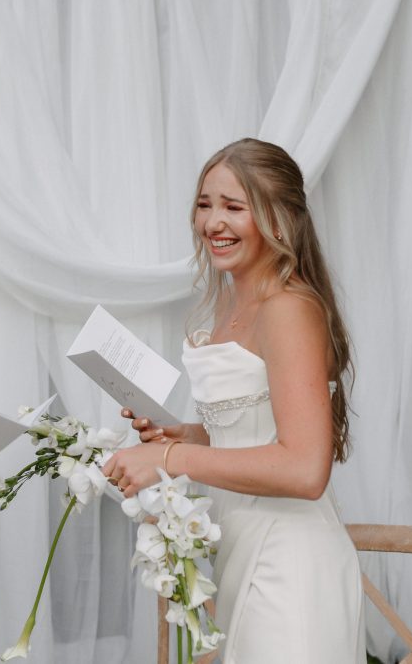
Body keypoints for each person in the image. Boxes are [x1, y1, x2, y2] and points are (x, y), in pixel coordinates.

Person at [102, 139, 365, 662]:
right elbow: (258, 429)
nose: (213, 223)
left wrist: (168, 459)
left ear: (279, 219)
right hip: (237, 544)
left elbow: (306, 470)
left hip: (288, 564)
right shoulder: (233, 298)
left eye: (233, 206)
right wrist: (187, 435)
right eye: (205, 204)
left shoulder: (288, 308)